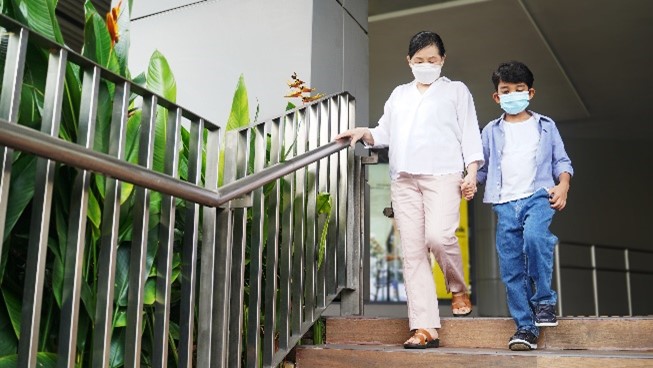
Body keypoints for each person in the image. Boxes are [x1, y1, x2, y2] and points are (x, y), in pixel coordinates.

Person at [335, 31, 484, 349]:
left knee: (439, 238)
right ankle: (425, 327)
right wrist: (364, 132)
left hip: (444, 175)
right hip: (404, 179)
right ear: (409, 62)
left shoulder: (456, 91)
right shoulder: (399, 94)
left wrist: (471, 172)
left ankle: (457, 287)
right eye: (419, 61)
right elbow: (384, 132)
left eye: (432, 60)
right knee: (413, 254)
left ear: (443, 60)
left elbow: (471, 134)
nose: (426, 65)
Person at [469, 61, 573, 351]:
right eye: (506, 90)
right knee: (512, 266)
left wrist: (563, 185)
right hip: (504, 204)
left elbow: (562, 162)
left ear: (530, 93)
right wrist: (468, 182)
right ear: (496, 96)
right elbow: (483, 170)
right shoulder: (490, 131)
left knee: (536, 238)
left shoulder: (546, 126)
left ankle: (544, 301)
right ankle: (525, 328)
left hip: (539, 196)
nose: (512, 94)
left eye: (519, 90)